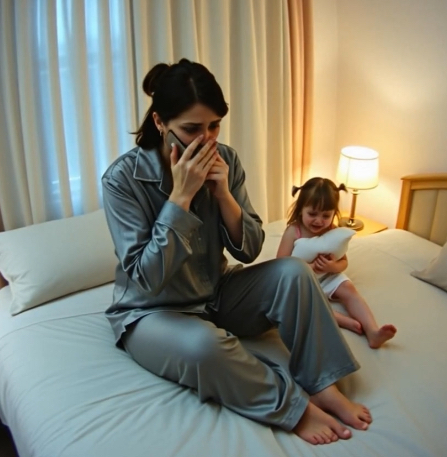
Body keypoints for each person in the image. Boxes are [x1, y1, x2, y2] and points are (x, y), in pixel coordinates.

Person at [102, 58, 372, 445]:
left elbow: (251, 251)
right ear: (160, 122)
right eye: (191, 129)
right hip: (151, 311)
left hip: (217, 291)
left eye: (214, 126)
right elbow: (146, 278)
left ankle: (323, 383)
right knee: (204, 346)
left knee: (294, 272)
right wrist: (180, 198)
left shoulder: (226, 159)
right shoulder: (121, 180)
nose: (206, 140)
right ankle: (293, 407)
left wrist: (224, 195)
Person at [276, 177, 397, 349]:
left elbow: (344, 262)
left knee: (349, 289)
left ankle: (372, 331)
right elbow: (280, 264)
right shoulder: (293, 231)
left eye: (326, 215)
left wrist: (332, 267)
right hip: (302, 281)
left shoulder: (332, 231)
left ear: (334, 213)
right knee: (303, 303)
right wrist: (309, 268)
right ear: (301, 209)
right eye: (312, 214)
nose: (319, 221)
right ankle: (343, 320)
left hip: (327, 276)